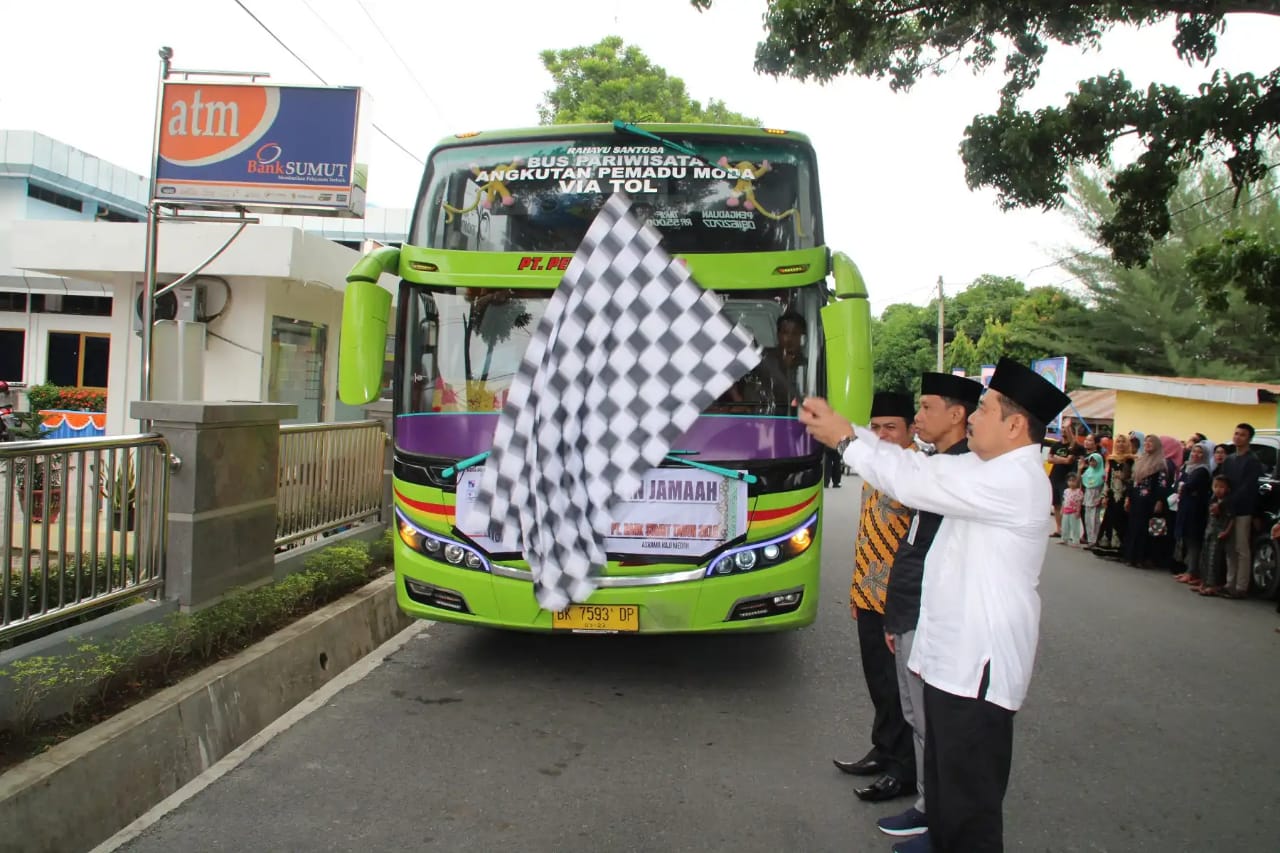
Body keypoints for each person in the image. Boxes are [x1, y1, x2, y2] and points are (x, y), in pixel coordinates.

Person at [801, 357, 1071, 853]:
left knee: (970, 801)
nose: (972, 418)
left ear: (1014, 425)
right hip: (950, 658)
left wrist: (844, 437)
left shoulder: (1013, 479)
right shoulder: (982, 467)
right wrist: (846, 430)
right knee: (946, 779)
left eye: (984, 409)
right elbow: (913, 465)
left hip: (976, 665)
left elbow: (915, 482)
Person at [875, 372, 983, 848]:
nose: (917, 416)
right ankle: (927, 806)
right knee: (917, 717)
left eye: (926, 407)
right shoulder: (942, 463)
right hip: (909, 610)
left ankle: (938, 817)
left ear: (955, 415)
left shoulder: (962, 471)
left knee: (933, 723)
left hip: (928, 615)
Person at [832, 391, 919, 807]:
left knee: (900, 689)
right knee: (879, 684)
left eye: (892, 427)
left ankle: (903, 771)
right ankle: (883, 750)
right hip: (869, 594)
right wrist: (856, 590)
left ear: (910, 430)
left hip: (897, 602)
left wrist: (895, 609)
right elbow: (866, 534)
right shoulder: (875, 469)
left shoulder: (917, 473)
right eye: (877, 426)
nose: (882, 434)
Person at [1220, 423, 1263, 599]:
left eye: (1242, 435)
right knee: (1230, 549)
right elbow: (1223, 483)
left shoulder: (1252, 461)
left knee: (1241, 548)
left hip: (1243, 510)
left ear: (1249, 438)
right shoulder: (1230, 459)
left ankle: (1241, 586)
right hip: (1227, 509)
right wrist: (1220, 502)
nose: (1238, 437)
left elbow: (1247, 488)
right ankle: (1229, 583)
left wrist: (1228, 502)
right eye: (1236, 433)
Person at [1123, 434, 1175, 568]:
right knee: (1133, 527)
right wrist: (1128, 497)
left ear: (1157, 445)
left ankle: (1141, 558)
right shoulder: (1140, 460)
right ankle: (1130, 556)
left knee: (1144, 529)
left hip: (1149, 501)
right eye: (1146, 441)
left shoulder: (1161, 463)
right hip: (1136, 499)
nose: (1147, 444)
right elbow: (1133, 481)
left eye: (1151, 442)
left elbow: (1162, 484)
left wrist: (1159, 501)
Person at [1172, 442, 1212, 587]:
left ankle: (1193, 571)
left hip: (1196, 509)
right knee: (1187, 539)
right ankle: (1189, 569)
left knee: (1194, 540)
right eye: (1194, 451)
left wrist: (1185, 486)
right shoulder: (1188, 467)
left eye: (1200, 452)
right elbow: (1179, 484)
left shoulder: (1202, 470)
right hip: (1186, 506)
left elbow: (1189, 485)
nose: (1196, 455)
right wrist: (1184, 486)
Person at [1197, 475, 1233, 597]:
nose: (1218, 489)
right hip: (1209, 531)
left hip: (1219, 533)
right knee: (1205, 557)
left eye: (1221, 487)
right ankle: (1204, 582)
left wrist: (1226, 531)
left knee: (1214, 559)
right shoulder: (1212, 499)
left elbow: (1232, 518)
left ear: (1227, 489)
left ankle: (1213, 585)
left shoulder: (1227, 502)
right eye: (1215, 486)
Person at [1046, 424, 1084, 537]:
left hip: (1067, 479)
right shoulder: (1056, 445)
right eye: (1062, 429)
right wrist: (1062, 459)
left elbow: (1069, 461)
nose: (1063, 431)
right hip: (1055, 477)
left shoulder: (1074, 447)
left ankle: (1070, 531)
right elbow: (1049, 459)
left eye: (1066, 429)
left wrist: (1056, 458)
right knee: (1057, 504)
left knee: (1067, 504)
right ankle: (1059, 529)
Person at [1079, 434, 1106, 546]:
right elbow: (1081, 480)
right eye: (1090, 461)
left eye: (1094, 461)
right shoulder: (1088, 472)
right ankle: (1089, 539)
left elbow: (1103, 485)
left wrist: (1102, 497)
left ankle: (1095, 540)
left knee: (1094, 520)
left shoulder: (1102, 474)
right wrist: (1079, 469)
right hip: (1087, 498)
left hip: (1096, 500)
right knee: (1087, 519)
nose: (1092, 463)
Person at [1061, 473, 1085, 546]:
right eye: (1069, 481)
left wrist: (1078, 511)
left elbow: (1079, 502)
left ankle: (1075, 541)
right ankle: (1064, 539)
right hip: (1066, 511)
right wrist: (1062, 509)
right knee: (1065, 526)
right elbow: (1064, 501)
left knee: (1075, 527)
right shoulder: (1066, 491)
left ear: (1077, 482)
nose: (1071, 482)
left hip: (1074, 511)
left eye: (1073, 481)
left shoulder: (1078, 492)